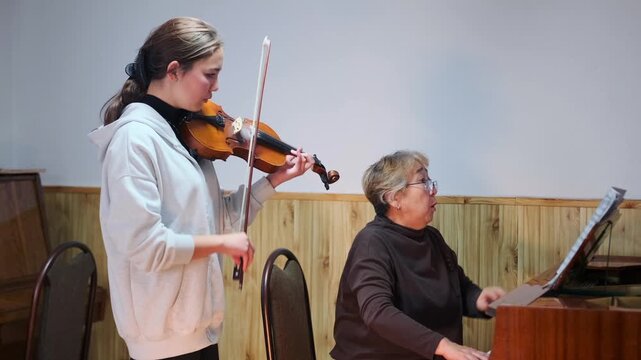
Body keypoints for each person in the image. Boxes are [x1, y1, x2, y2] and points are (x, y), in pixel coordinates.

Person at [89, 17, 314, 360]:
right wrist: (222, 244)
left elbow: (217, 221)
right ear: (175, 70)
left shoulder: (186, 135)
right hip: (163, 344)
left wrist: (274, 179)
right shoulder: (134, 141)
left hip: (199, 333)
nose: (217, 87)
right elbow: (145, 247)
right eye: (210, 74)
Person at [331, 150, 505, 360]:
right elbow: (378, 313)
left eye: (431, 181)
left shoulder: (432, 238)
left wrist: (478, 299)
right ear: (394, 197)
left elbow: (458, 288)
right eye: (423, 181)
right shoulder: (372, 243)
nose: (434, 189)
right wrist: (443, 346)